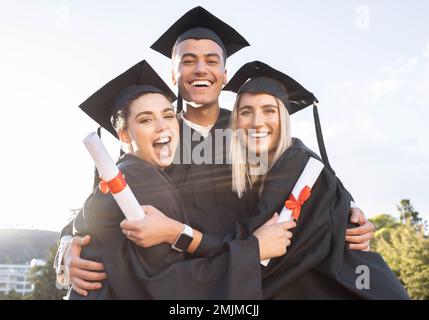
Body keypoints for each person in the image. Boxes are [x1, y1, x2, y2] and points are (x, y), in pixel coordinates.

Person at [55, 6, 375, 296]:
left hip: (260, 281)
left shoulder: (254, 134)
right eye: (188, 61)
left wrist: (351, 213)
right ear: (173, 75)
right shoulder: (157, 139)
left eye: (211, 60)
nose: (200, 69)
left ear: (224, 76)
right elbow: (101, 207)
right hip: (183, 284)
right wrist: (68, 246)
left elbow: (310, 178)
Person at [67, 59, 293, 299]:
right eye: (146, 119)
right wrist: (252, 251)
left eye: (167, 115)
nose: (162, 127)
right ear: (123, 135)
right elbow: (167, 283)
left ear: (225, 74)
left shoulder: (244, 136)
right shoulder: (139, 176)